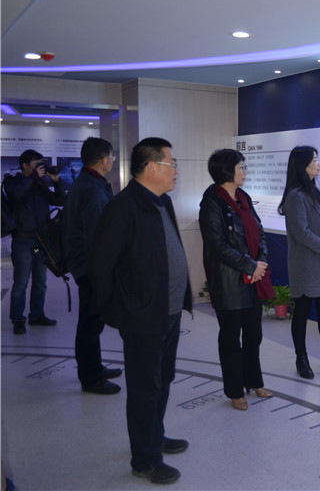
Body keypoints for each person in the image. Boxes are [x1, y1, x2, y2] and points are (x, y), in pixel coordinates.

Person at [88, 137, 191, 485]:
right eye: (171, 164)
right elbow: (101, 266)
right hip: (143, 316)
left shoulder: (162, 202)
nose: (175, 170)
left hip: (168, 311)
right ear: (150, 167)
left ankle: (155, 436)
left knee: (163, 379)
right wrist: (121, 310)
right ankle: (145, 460)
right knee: (145, 387)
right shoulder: (123, 207)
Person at [199, 149, 275, 411]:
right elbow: (218, 246)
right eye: (241, 167)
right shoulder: (211, 204)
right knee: (231, 339)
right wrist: (251, 266)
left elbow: (259, 232)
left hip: (253, 279)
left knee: (254, 335)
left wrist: (260, 263)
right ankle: (234, 390)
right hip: (229, 281)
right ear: (226, 171)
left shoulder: (243, 197)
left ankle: (254, 381)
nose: (245, 171)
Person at [277, 146, 320, 380]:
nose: (318, 164)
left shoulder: (314, 191)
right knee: (301, 312)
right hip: (305, 264)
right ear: (302, 165)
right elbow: (301, 232)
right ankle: (301, 358)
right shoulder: (295, 195)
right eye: (314, 160)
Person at [62, 137, 122, 395]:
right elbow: (99, 237)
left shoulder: (88, 183)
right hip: (91, 267)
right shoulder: (92, 190)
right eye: (112, 157)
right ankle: (90, 377)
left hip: (85, 264)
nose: (112, 161)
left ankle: (94, 367)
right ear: (103, 160)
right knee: (90, 322)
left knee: (92, 321)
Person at [4, 149, 66, 334]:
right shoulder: (12, 181)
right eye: (37, 164)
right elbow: (16, 194)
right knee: (21, 283)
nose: (41, 167)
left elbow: (60, 200)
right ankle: (17, 319)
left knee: (40, 280)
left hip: (40, 243)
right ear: (25, 165)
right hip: (23, 241)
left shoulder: (40, 185)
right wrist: (33, 178)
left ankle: (37, 315)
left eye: (42, 164)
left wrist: (56, 181)